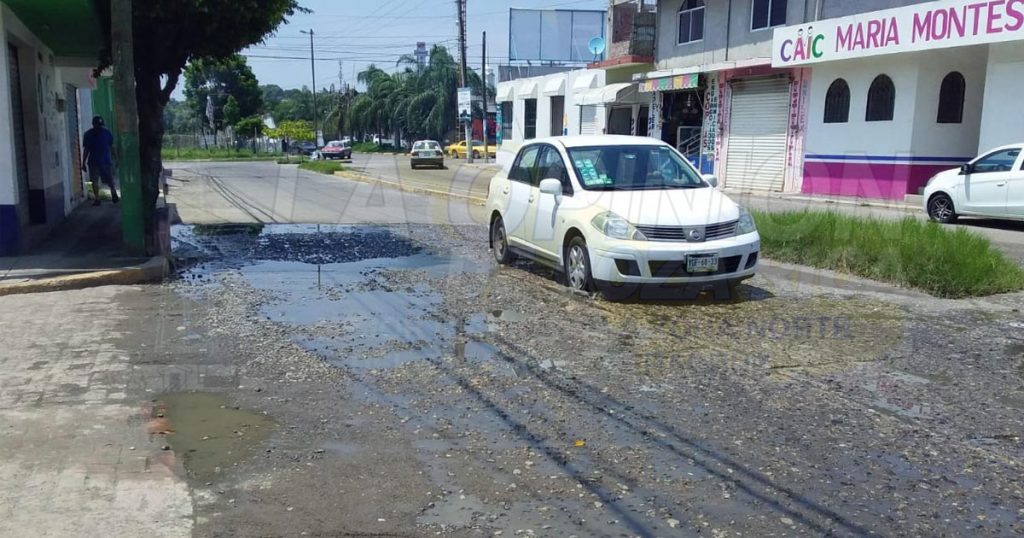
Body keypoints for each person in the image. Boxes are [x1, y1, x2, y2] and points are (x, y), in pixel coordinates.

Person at [82, 116, 119, 206]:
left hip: (102, 161)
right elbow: (86, 150)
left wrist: (116, 158)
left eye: (100, 125)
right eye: (97, 125)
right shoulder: (105, 133)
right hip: (98, 162)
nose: (99, 127)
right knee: (98, 180)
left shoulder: (91, 134)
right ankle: (100, 198)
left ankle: (111, 195)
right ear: (93, 124)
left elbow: (112, 147)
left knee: (107, 180)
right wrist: (83, 162)